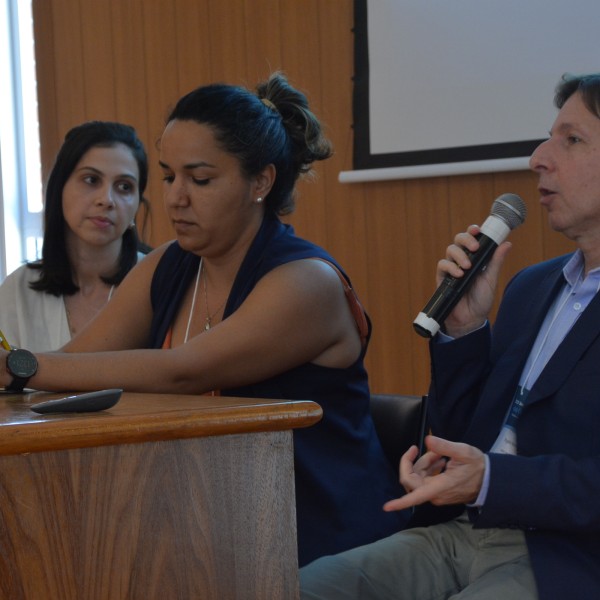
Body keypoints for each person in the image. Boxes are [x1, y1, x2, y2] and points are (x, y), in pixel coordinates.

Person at [0, 73, 405, 567]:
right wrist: (18, 371)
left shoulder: (307, 281)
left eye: (201, 179)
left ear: (261, 181)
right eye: (169, 177)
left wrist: (18, 364)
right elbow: (70, 366)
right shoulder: (168, 264)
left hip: (323, 546)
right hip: (214, 533)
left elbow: (183, 372)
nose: (175, 198)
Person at [299, 72, 600, 600]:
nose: (539, 158)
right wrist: (465, 329)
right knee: (299, 588)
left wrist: (490, 480)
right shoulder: (532, 287)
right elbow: (464, 432)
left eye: (572, 140)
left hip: (571, 556)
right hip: (466, 531)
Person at [0, 121, 150, 352]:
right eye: (91, 180)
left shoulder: (158, 281)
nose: (106, 199)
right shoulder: (18, 290)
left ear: (137, 204)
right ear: (60, 188)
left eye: (124, 187)